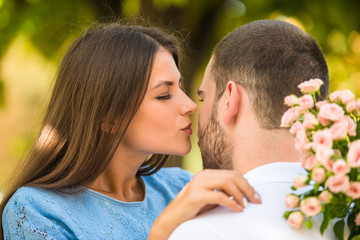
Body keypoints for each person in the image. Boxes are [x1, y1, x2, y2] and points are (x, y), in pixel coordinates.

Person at [0, 22, 260, 240]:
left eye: (180, 88)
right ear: (109, 117)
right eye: (164, 95)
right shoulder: (35, 211)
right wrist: (163, 232)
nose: (190, 105)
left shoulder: (182, 187)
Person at [168, 20, 337, 239]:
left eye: (203, 98)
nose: (193, 111)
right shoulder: (348, 215)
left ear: (230, 99)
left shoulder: (201, 231)